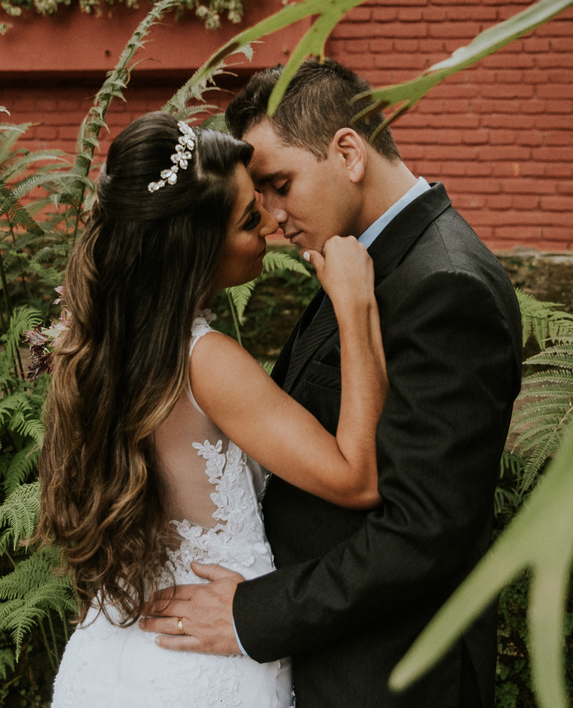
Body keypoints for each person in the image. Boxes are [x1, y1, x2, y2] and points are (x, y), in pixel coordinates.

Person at [139, 59, 523, 707]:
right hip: (328, 659)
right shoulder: (355, 253)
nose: (272, 216)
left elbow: (425, 530)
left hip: (387, 673)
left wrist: (250, 615)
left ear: (348, 151)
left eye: (279, 184)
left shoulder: (444, 285)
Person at [39, 110, 390, 708]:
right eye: (250, 220)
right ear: (194, 248)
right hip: (204, 669)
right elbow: (357, 478)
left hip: (116, 657)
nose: (272, 228)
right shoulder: (206, 361)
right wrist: (355, 309)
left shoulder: (100, 344)